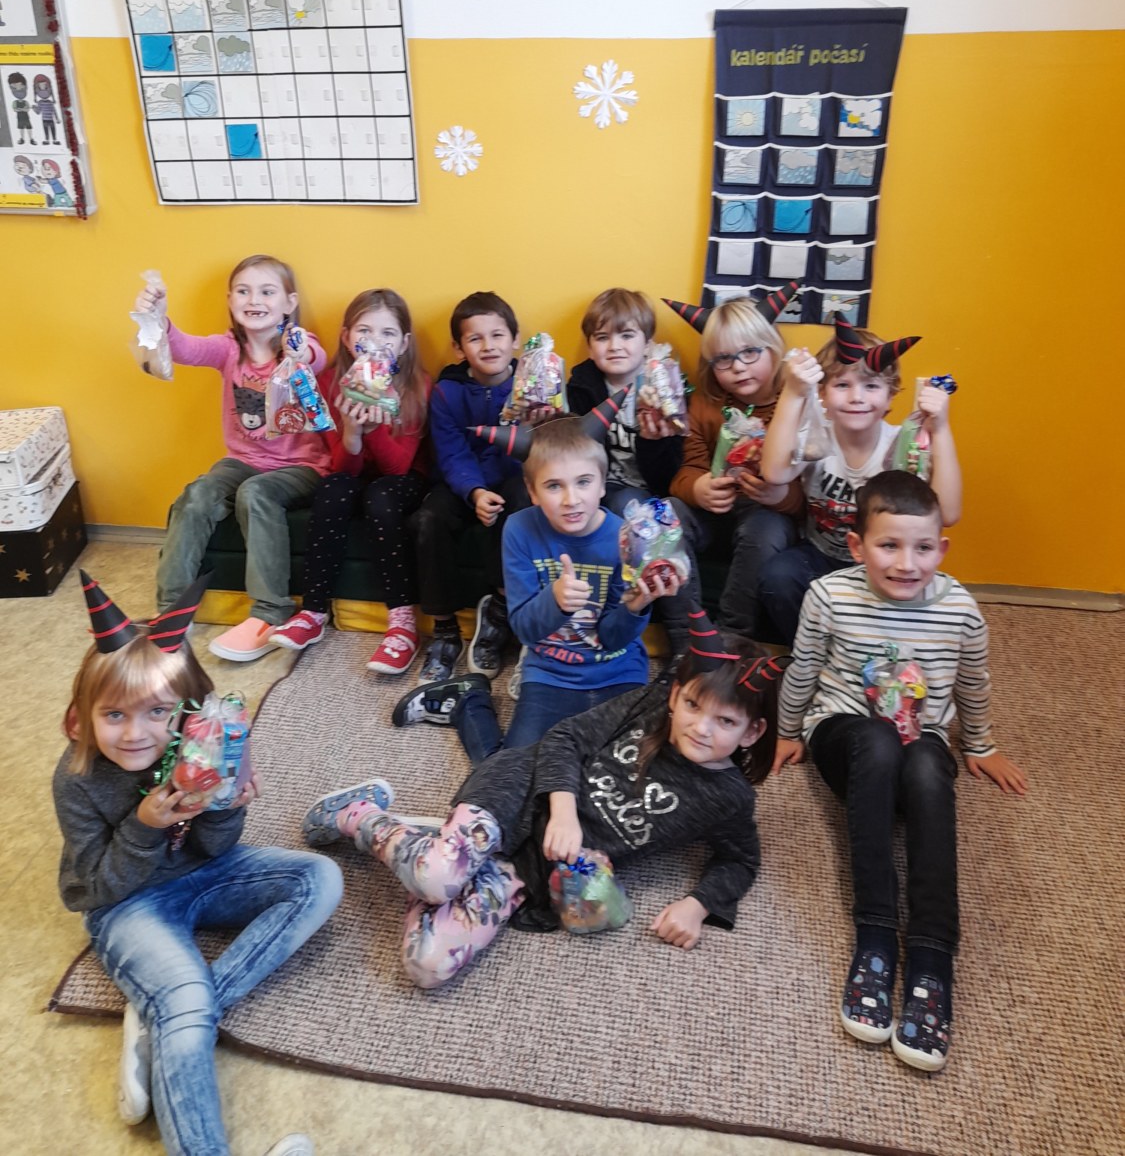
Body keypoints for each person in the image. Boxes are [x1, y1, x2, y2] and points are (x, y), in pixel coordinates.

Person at [301, 610, 780, 988]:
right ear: (675, 695)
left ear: (752, 732)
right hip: (520, 793)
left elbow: (740, 860)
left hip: (533, 866)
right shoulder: (650, 705)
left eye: (725, 721)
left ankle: (436, 848)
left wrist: (698, 904)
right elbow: (564, 738)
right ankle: (359, 814)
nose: (701, 727)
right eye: (693, 705)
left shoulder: (728, 798)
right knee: (438, 877)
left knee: (428, 966)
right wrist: (564, 810)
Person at [53, 572, 341, 1156]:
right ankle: (177, 1014)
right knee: (182, 998)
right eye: (114, 715)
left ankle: (163, 1021)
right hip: (126, 905)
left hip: (205, 875)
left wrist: (224, 806)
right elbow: (93, 889)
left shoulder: (200, 751)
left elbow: (215, 850)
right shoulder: (77, 779)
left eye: (157, 712)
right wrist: (144, 826)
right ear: (82, 716)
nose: (136, 734)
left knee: (320, 877)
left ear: (188, 713)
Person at [771, 472, 1027, 1072]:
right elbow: (803, 668)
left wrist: (981, 744)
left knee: (929, 769)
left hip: (921, 743)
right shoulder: (829, 595)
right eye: (888, 545)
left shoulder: (960, 611)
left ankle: (933, 959)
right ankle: (876, 938)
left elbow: (972, 682)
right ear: (857, 545)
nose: (907, 563)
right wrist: (786, 731)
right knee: (879, 742)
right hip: (845, 736)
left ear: (943, 548)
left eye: (923, 547)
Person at [394, 412, 684, 759]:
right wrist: (555, 601)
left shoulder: (625, 538)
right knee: (511, 775)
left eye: (583, 482)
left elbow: (613, 637)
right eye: (553, 486)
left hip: (618, 673)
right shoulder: (519, 530)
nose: (571, 499)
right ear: (532, 491)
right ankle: (469, 703)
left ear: (603, 484)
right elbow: (525, 629)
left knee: (619, 773)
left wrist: (635, 606)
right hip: (550, 675)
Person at [136, 256, 331, 662]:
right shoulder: (228, 349)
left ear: (289, 302)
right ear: (230, 300)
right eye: (244, 291)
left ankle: (270, 611)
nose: (254, 300)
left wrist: (299, 352)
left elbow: (316, 356)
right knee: (196, 495)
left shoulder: (298, 343)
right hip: (243, 459)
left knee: (255, 493)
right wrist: (158, 319)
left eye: (267, 291)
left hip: (302, 466)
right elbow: (185, 348)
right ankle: (172, 608)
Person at [758, 315, 962, 646]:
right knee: (778, 577)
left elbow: (948, 513)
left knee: (907, 604)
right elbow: (775, 473)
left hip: (884, 562)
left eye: (871, 386)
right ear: (822, 393)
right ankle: (817, 653)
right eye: (842, 385)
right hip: (821, 555)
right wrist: (794, 394)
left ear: (890, 396)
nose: (857, 397)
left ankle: (871, 652)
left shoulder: (903, 447)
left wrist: (940, 429)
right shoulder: (817, 439)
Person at [270, 288, 432, 675]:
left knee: (381, 495)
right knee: (332, 488)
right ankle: (313, 611)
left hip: (404, 480)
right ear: (346, 337)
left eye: (388, 333)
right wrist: (352, 434)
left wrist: (372, 430)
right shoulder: (329, 383)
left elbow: (398, 469)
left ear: (404, 343)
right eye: (364, 331)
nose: (375, 342)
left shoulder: (417, 386)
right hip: (354, 474)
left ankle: (402, 623)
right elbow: (343, 469)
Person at [668, 288, 804, 641]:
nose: (739, 366)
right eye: (724, 359)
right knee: (669, 513)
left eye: (750, 352)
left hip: (766, 516)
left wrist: (780, 497)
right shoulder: (705, 404)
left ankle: (732, 637)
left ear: (774, 349)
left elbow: (808, 496)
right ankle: (685, 638)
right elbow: (686, 471)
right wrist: (698, 488)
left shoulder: (795, 404)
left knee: (765, 527)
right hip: (713, 514)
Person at [566, 286, 695, 656]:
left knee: (661, 521)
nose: (615, 346)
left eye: (626, 335)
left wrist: (653, 440)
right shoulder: (582, 387)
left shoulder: (663, 385)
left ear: (647, 343)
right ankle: (610, 630)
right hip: (604, 490)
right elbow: (576, 457)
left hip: (653, 492)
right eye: (602, 337)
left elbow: (666, 479)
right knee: (622, 507)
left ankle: (684, 642)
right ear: (590, 346)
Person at [410, 290, 531, 682]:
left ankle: (498, 611)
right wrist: (474, 491)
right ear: (459, 348)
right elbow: (452, 453)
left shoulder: (533, 386)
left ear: (515, 340)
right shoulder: (447, 392)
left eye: (497, 335)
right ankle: (445, 630)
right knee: (429, 519)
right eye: (475, 338)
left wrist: (540, 418)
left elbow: (540, 448)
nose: (488, 346)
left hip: (514, 478)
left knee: (521, 505)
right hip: (461, 482)